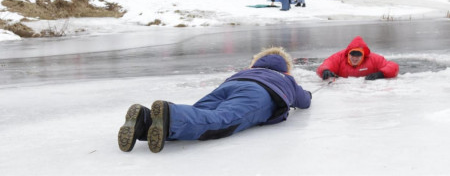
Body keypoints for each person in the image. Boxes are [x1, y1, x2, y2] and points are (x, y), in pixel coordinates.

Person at [118, 47, 312, 153]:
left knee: (200, 112)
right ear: (285, 68)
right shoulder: (286, 78)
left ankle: (145, 121)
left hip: (229, 86)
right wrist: (309, 95)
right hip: (258, 95)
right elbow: (303, 101)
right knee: (222, 120)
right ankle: (171, 116)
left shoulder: (247, 70)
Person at [317, 36, 399, 81]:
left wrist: (380, 74)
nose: (354, 58)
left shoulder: (372, 58)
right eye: (352, 55)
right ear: (348, 53)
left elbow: (393, 66)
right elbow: (326, 64)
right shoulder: (339, 57)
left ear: (363, 55)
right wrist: (325, 71)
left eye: (358, 55)